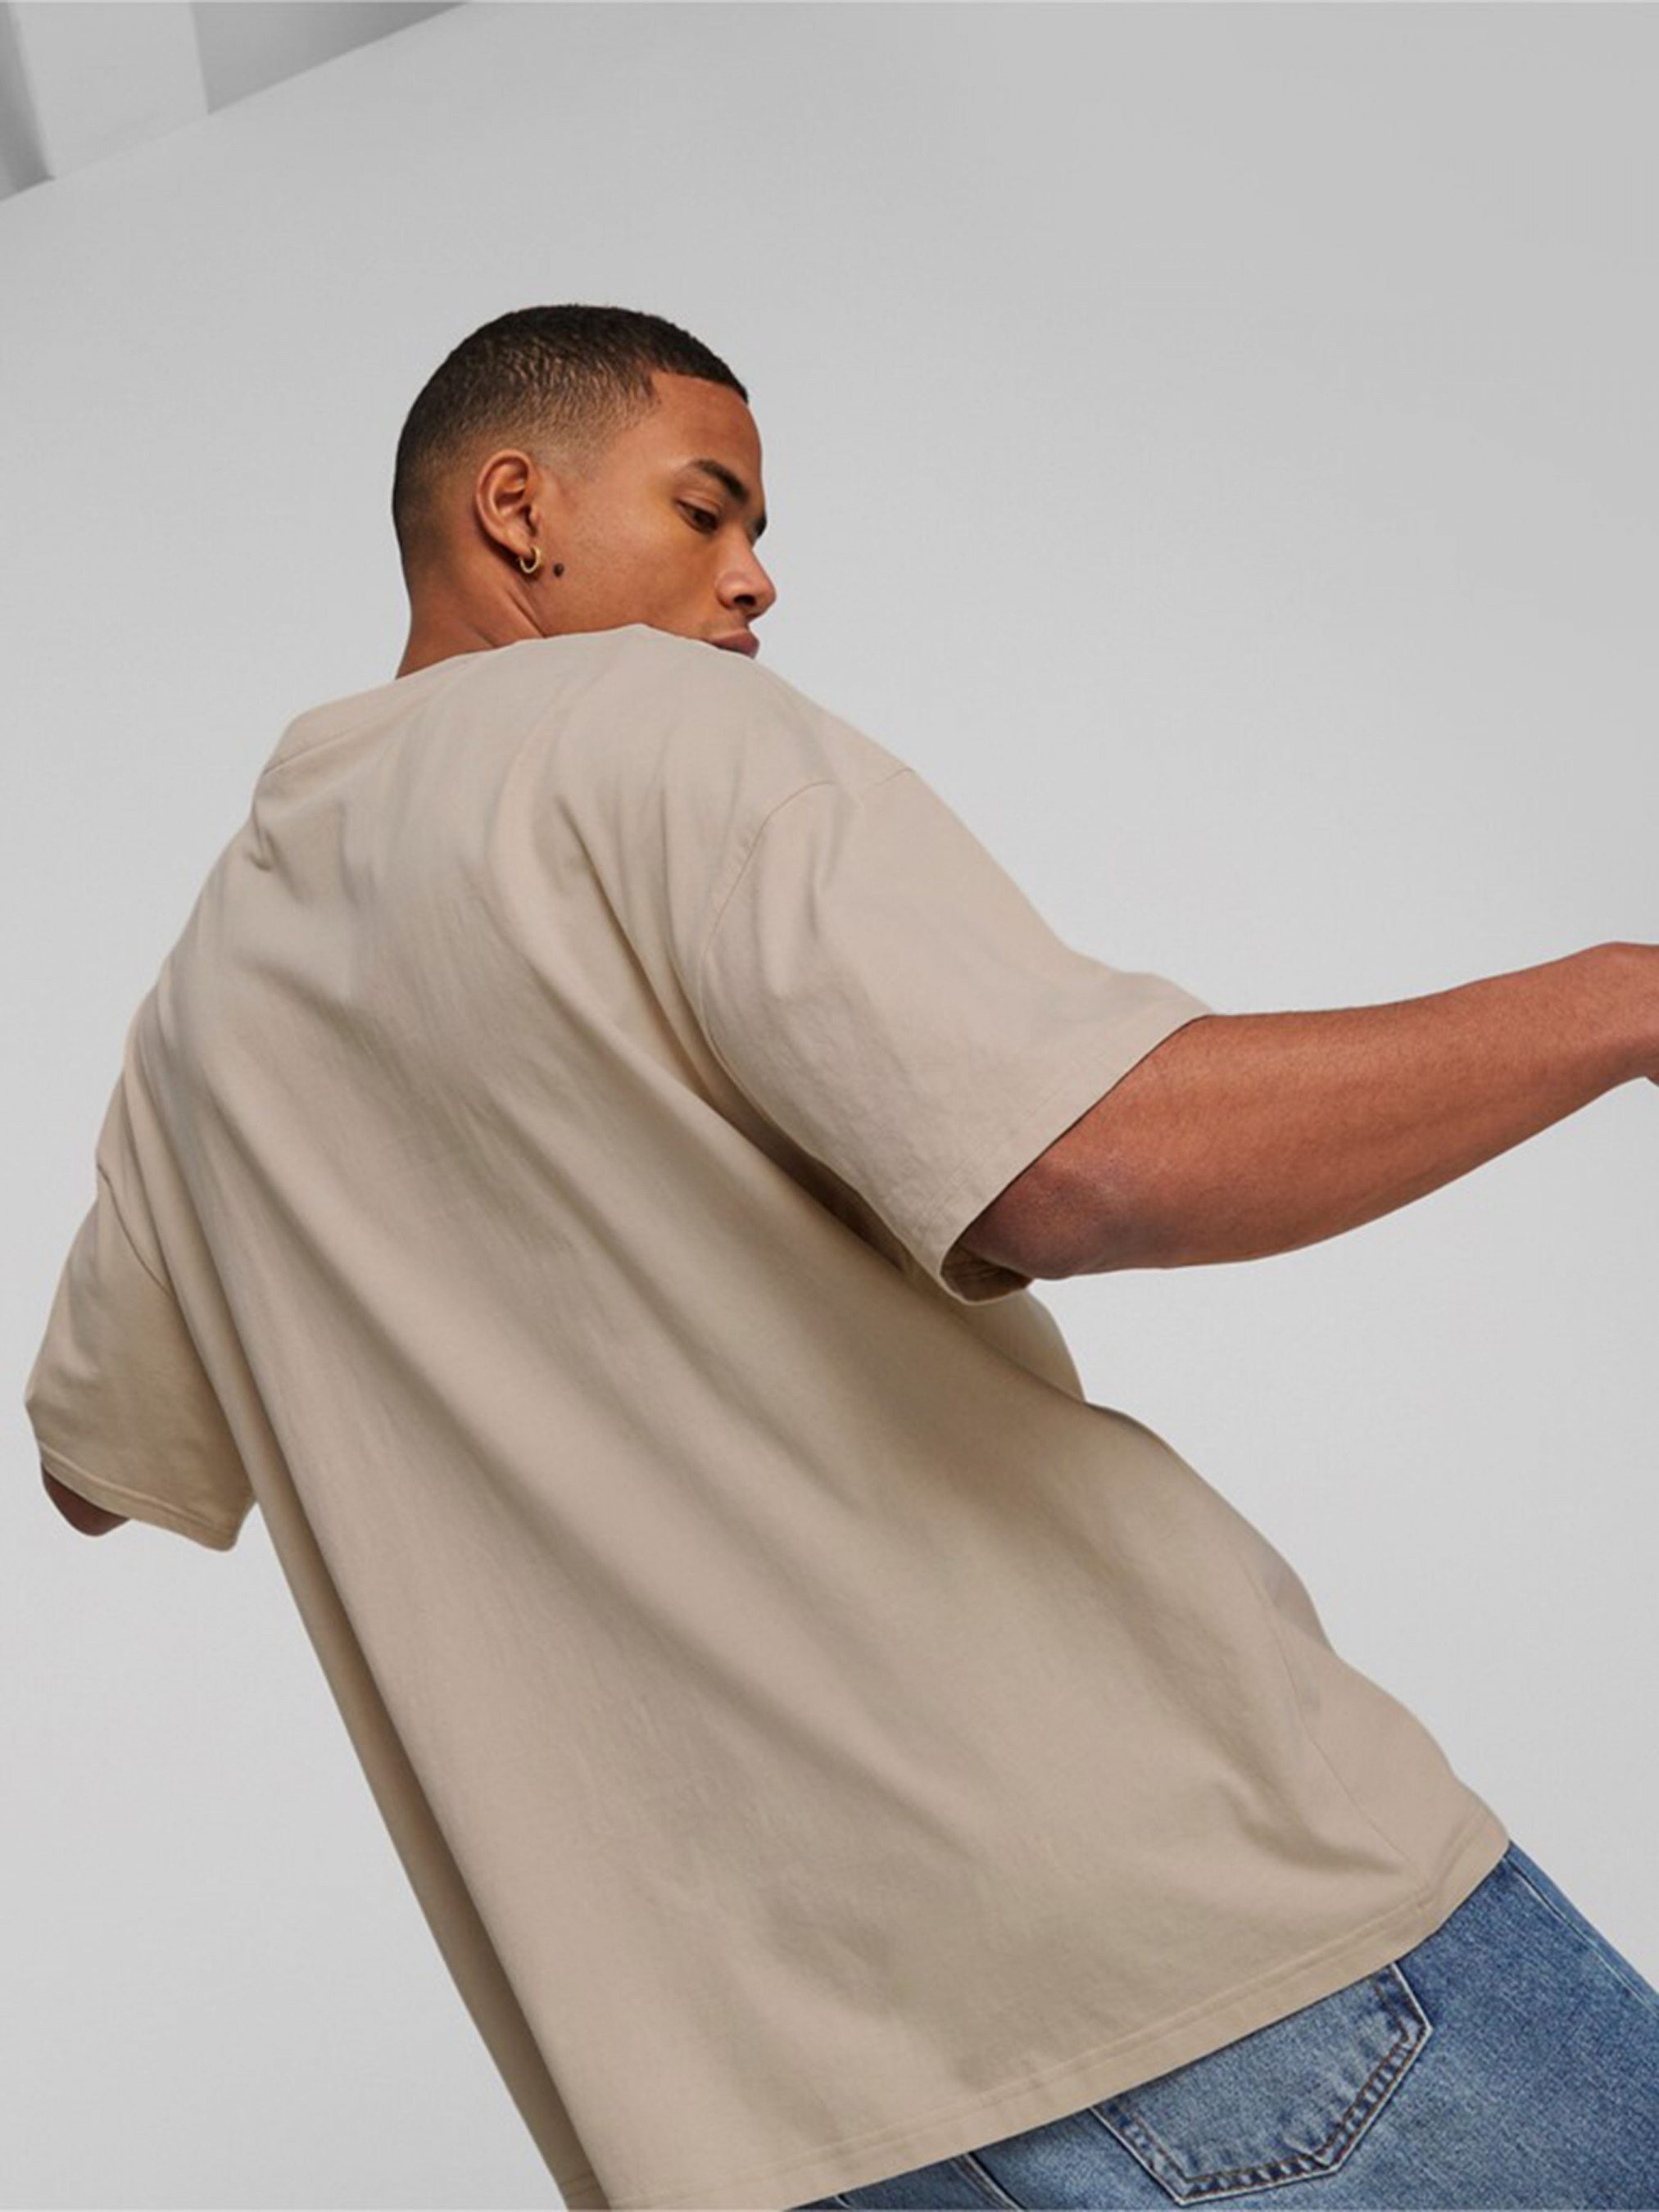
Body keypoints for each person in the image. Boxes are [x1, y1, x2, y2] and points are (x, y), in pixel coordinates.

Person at [23, 304, 1659, 2212]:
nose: (753, 578)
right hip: (1182, 1965)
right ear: (516, 508)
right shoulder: (641, 727)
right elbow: (1078, 1170)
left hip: (739, 2137)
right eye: (704, 509)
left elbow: (91, 1473)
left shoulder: (204, 1009)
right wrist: (1622, 999)